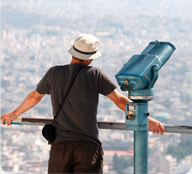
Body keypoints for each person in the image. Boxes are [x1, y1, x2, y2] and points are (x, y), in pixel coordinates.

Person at [1, 34, 165, 173]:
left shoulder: (54, 73)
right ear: (91, 57)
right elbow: (120, 101)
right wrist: (146, 120)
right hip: (88, 147)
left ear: (72, 52)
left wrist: (13, 114)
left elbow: (34, 98)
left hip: (61, 148)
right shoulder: (95, 74)